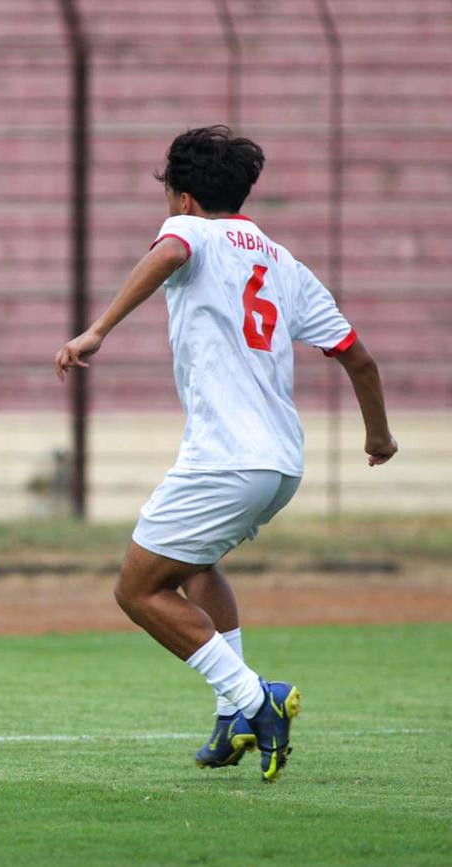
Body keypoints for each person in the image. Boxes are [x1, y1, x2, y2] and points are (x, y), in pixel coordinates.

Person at [54, 126, 397, 782]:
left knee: (136, 588)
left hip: (227, 458)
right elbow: (359, 356)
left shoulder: (191, 232)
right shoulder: (284, 261)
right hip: (280, 463)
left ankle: (253, 698)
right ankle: (230, 714)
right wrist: (377, 436)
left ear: (182, 197)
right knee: (197, 565)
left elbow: (172, 251)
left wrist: (98, 329)